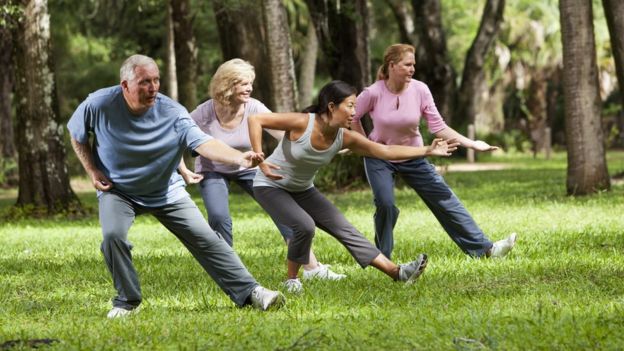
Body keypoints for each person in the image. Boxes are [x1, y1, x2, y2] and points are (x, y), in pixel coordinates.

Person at [67, 54, 285, 318]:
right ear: (125, 85)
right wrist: (91, 169)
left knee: (207, 239)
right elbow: (77, 134)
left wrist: (239, 157)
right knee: (113, 236)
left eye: (156, 80)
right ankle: (127, 300)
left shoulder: (172, 112)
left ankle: (252, 292)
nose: (153, 88)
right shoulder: (98, 104)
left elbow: (204, 143)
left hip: (165, 190)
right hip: (118, 189)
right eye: (145, 82)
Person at [248, 80, 459, 293]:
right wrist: (260, 159)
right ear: (332, 107)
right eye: (350, 105)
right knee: (304, 226)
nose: (354, 112)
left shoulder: (345, 137)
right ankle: (291, 280)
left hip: (302, 188)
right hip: (270, 185)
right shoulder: (302, 122)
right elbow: (256, 119)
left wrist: (426, 151)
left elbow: (384, 151)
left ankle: (397, 272)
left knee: (345, 228)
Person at [180, 58, 344, 280]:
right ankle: (228, 272)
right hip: (212, 169)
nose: (249, 88)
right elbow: (176, 140)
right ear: (227, 84)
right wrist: (183, 169)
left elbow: (283, 133)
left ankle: (312, 269)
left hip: (249, 166)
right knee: (219, 217)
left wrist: (322, 143)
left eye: (250, 83)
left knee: (284, 213)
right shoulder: (203, 112)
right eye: (243, 83)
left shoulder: (254, 107)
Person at [351, 43, 517, 260]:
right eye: (407, 64)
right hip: (380, 156)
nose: (412, 69)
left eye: (413, 65)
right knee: (385, 204)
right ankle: (383, 259)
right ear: (392, 65)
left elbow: (438, 126)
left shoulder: (420, 90)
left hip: (414, 154)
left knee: (445, 198)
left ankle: (487, 249)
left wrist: (472, 143)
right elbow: (352, 116)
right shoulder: (373, 93)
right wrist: (365, 145)